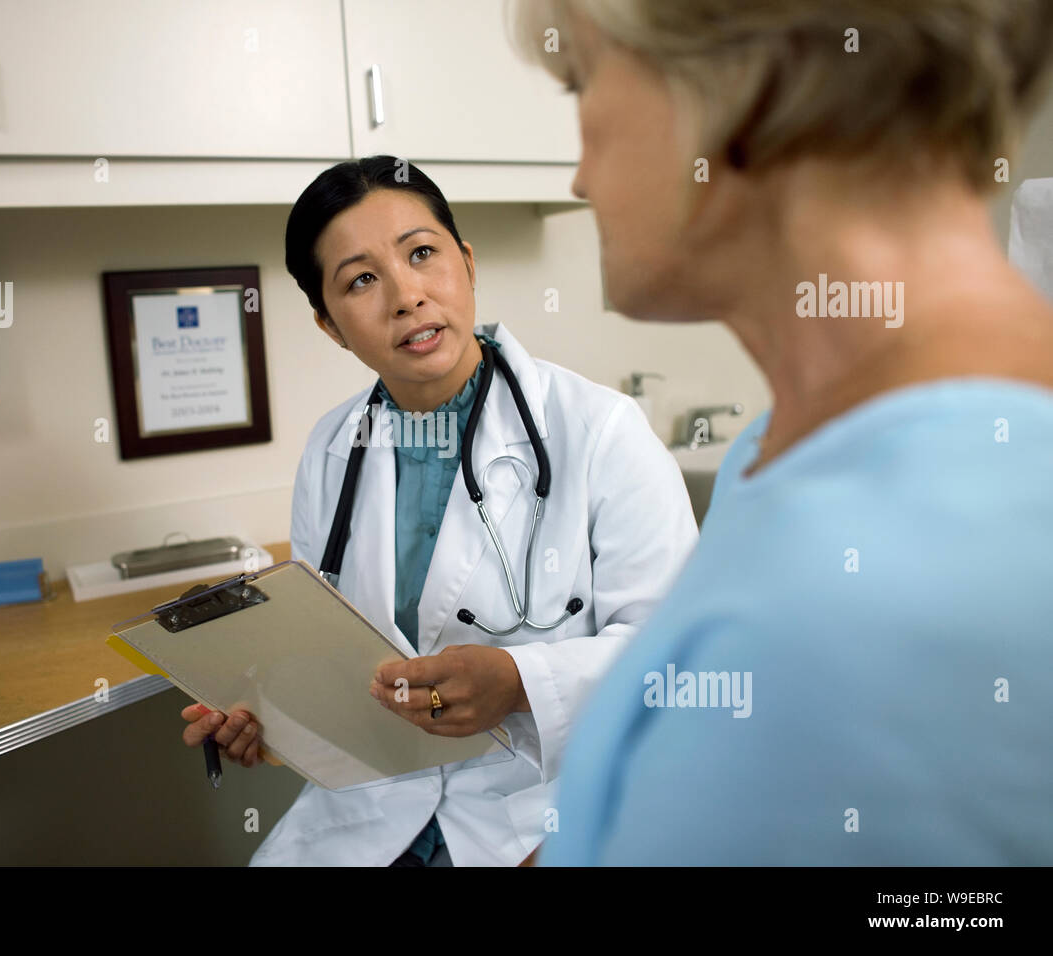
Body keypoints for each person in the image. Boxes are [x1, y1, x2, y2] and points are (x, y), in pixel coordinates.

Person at [504, 0, 1053, 863]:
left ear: (743, 84)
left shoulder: (890, 592)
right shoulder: (784, 447)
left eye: (581, 80)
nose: (578, 179)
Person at [181, 155, 698, 865]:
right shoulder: (334, 448)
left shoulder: (601, 431)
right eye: (361, 280)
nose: (406, 296)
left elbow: (679, 664)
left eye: (422, 254)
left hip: (543, 818)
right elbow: (329, 657)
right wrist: (266, 716)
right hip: (366, 821)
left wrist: (520, 684)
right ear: (329, 324)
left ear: (468, 263)